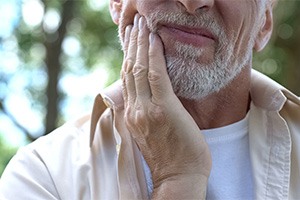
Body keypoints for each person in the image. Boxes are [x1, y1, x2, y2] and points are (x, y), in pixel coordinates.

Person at [1, 0, 300, 199]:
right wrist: (177, 180)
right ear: (118, 2)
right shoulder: (44, 176)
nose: (193, 1)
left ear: (264, 22)